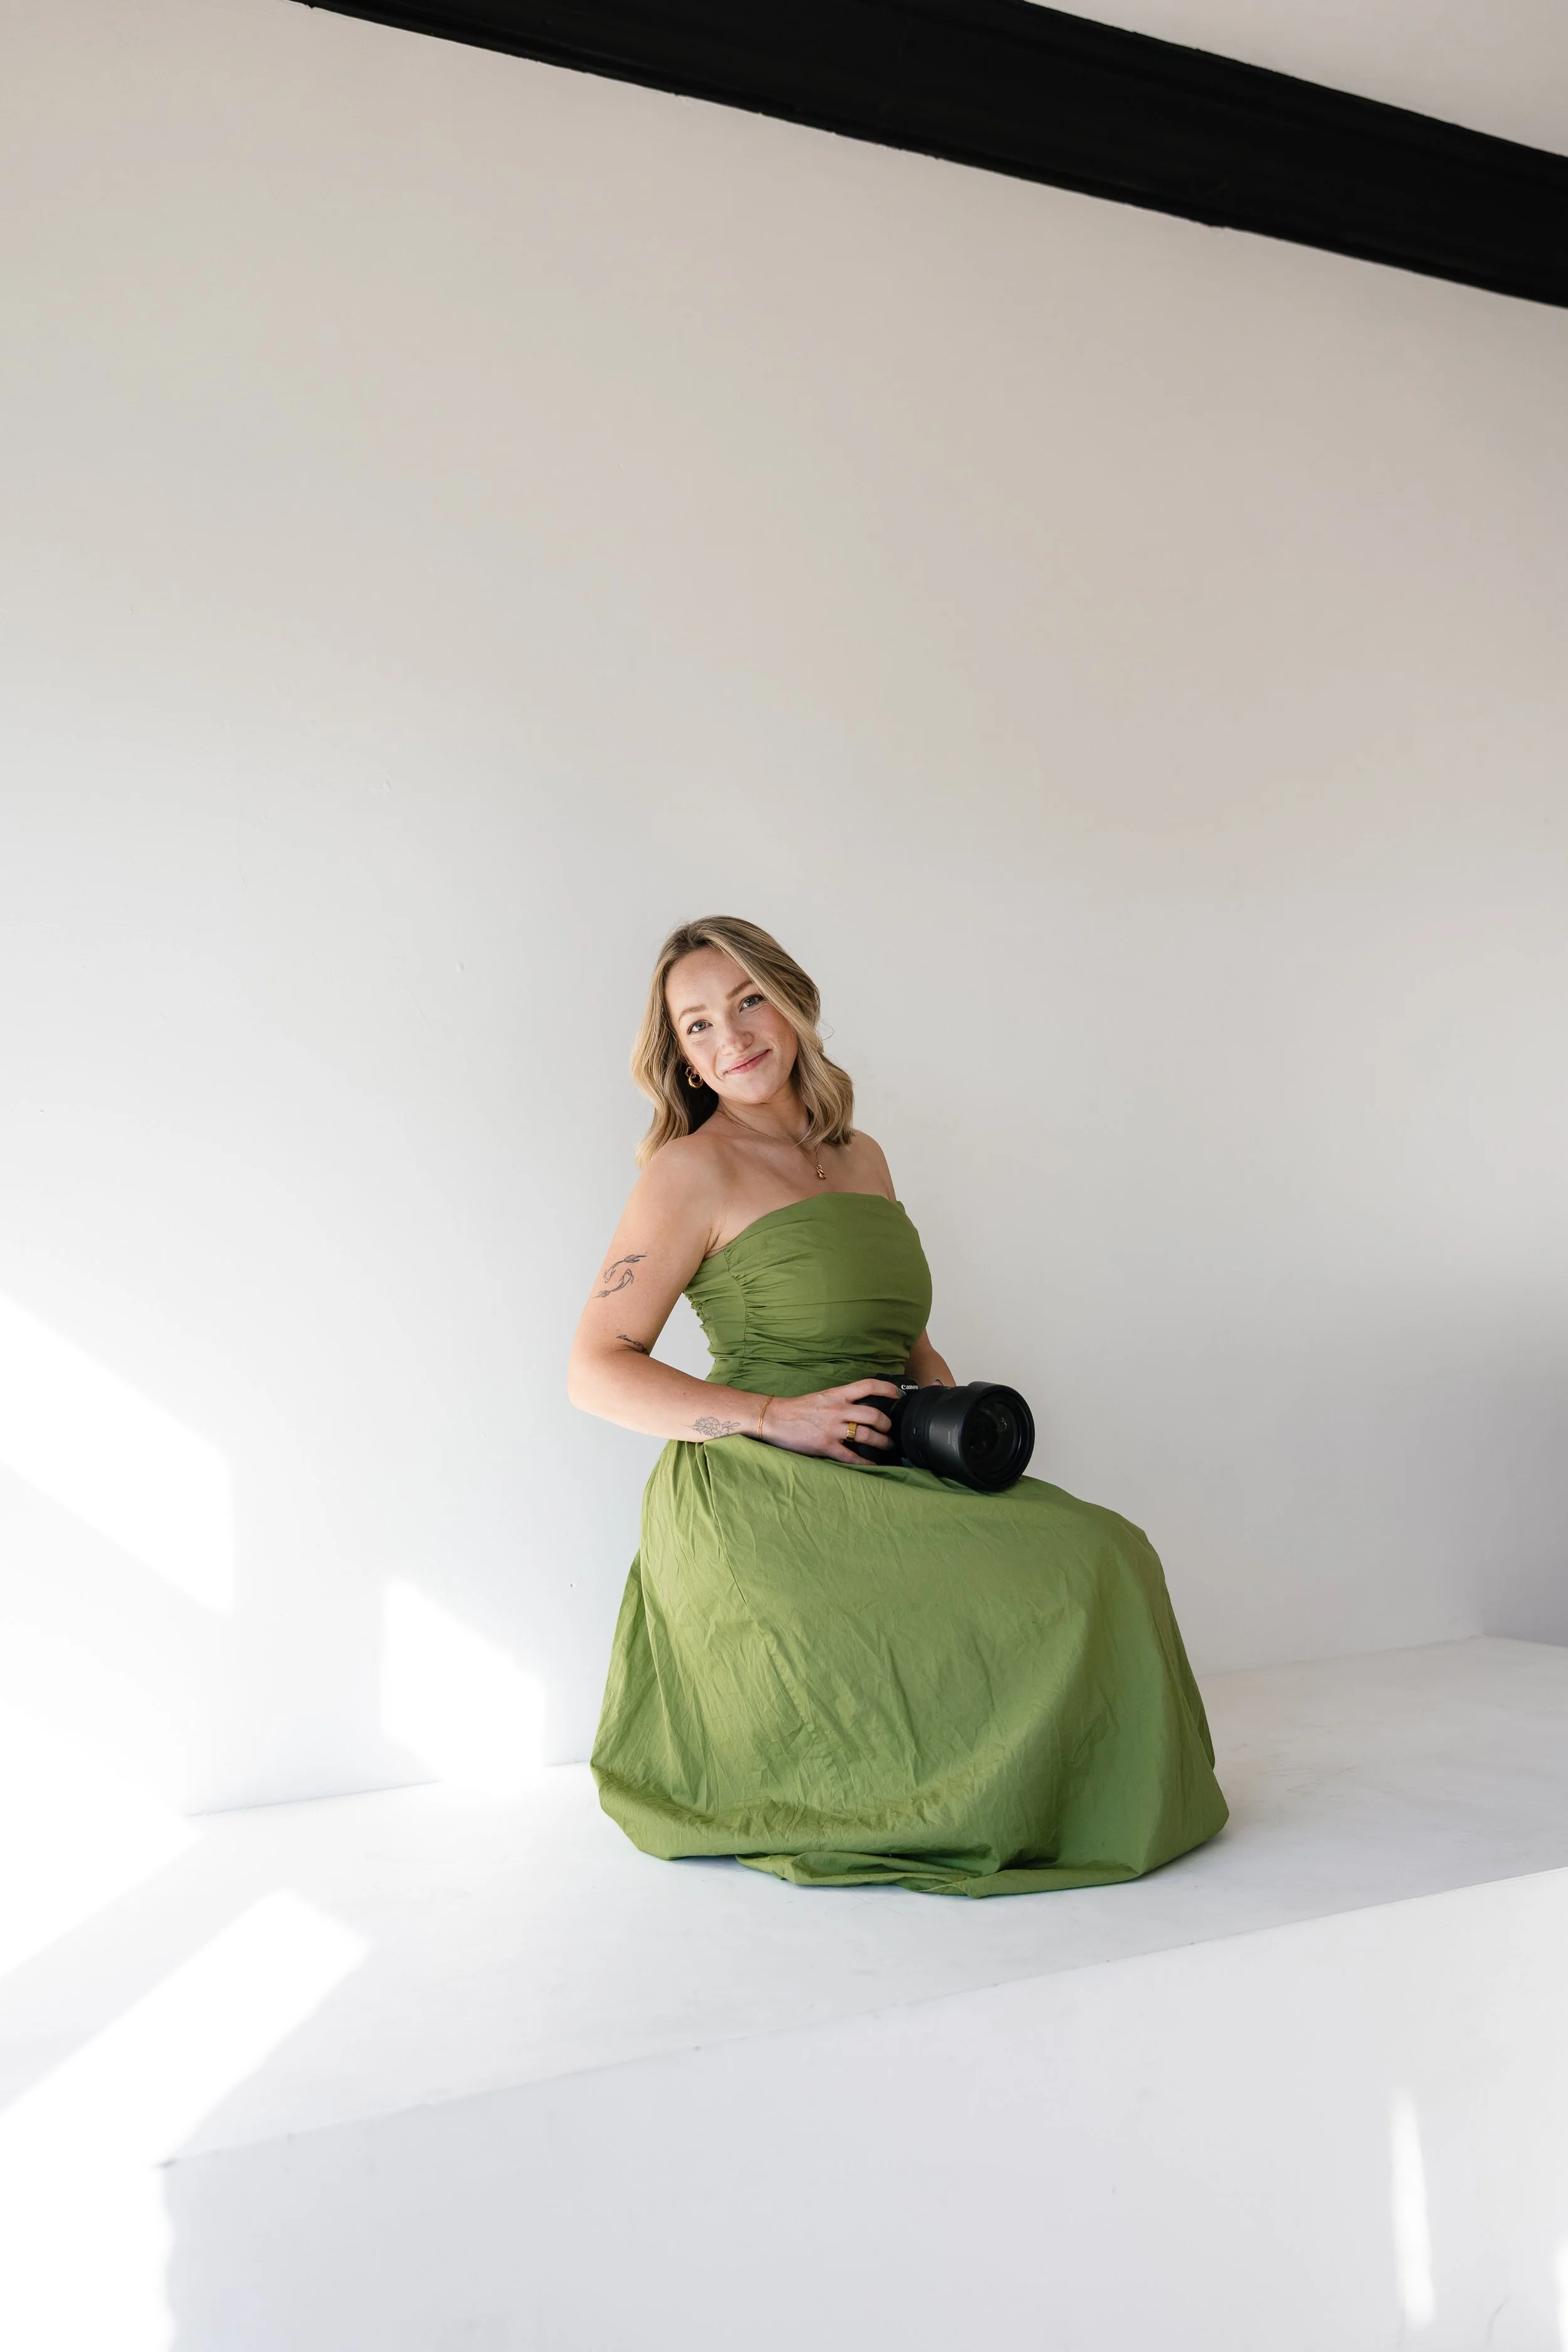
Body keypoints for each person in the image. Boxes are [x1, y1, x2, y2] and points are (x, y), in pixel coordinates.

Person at [569, 916, 1227, 1895]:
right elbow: (595, 1368)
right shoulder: (688, 1172)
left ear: (792, 1003)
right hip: (760, 1494)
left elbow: (906, 1339)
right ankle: (980, 1800)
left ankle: (1047, 1795)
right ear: (681, 1055)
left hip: (887, 1456)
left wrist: (956, 1420)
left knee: (1106, 1547)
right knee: (1083, 1561)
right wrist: (772, 1416)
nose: (733, 1035)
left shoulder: (862, 1155)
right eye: (697, 1024)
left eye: (748, 1000)